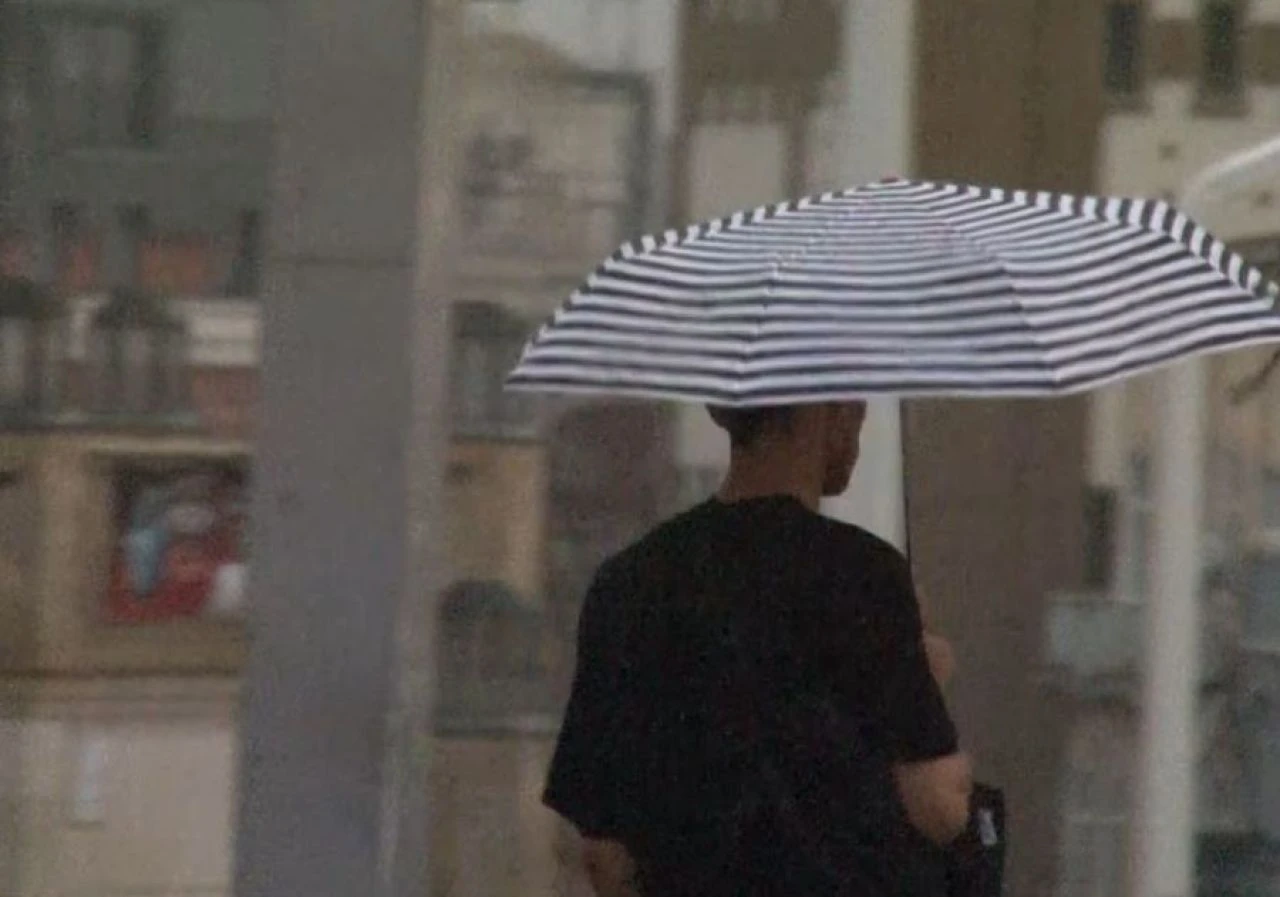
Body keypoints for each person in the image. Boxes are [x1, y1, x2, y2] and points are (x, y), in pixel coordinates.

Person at [544, 402, 973, 896]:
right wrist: (929, 678)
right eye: (855, 404)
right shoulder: (865, 577)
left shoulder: (629, 583)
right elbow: (937, 808)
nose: (859, 420)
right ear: (820, 414)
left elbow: (604, 853)